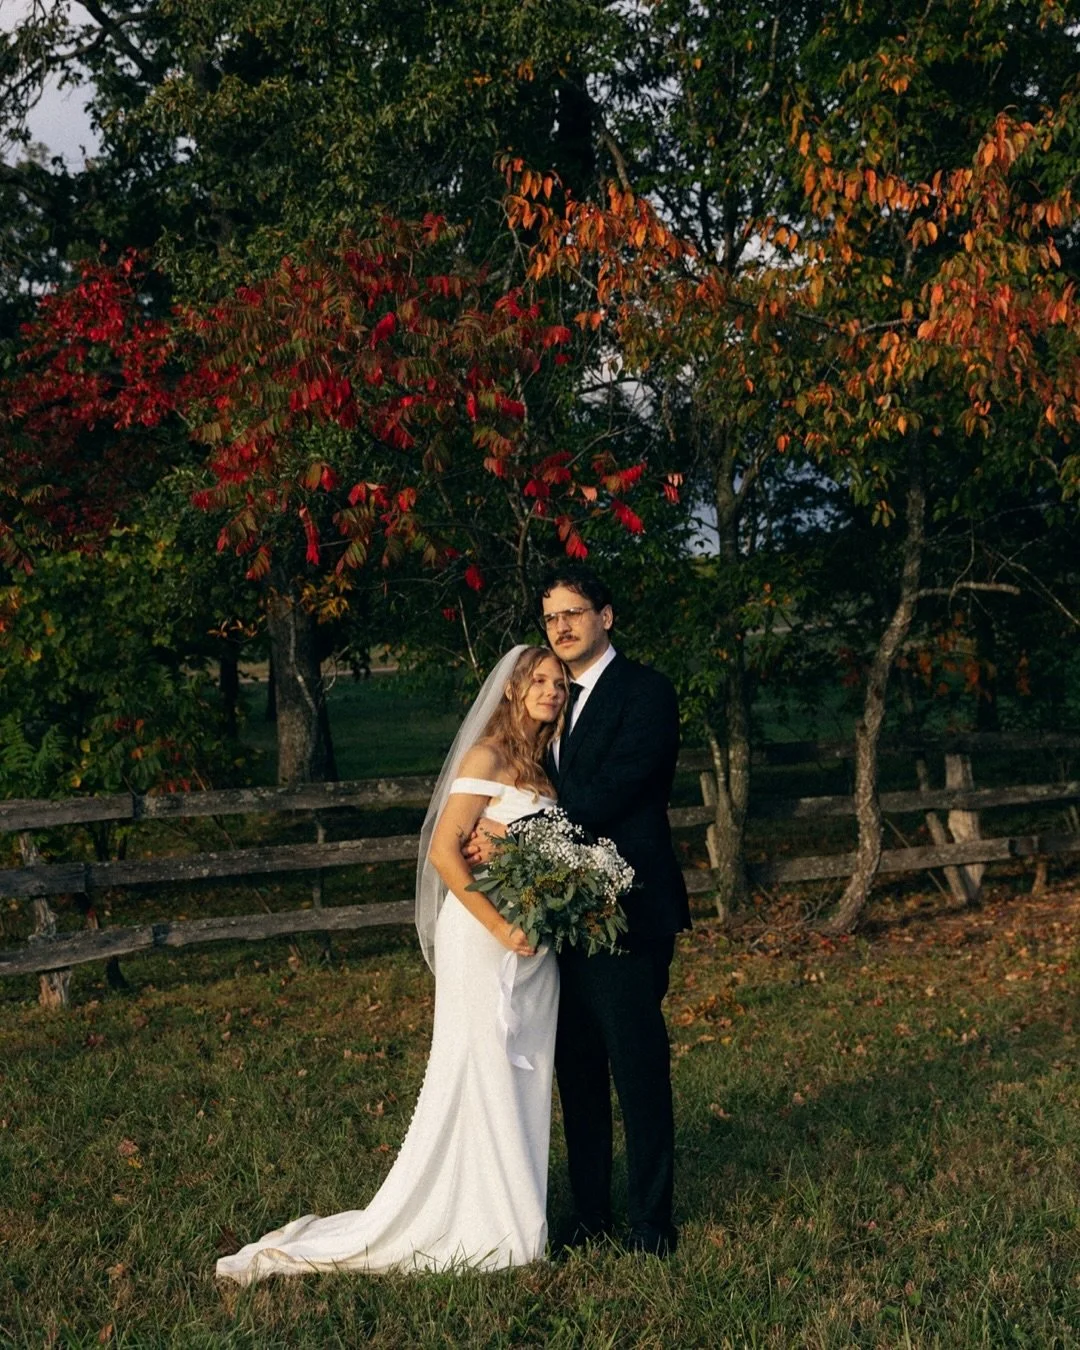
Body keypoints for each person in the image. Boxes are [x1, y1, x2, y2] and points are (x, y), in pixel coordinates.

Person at [215, 645, 568, 1284]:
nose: (551, 691)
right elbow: (443, 852)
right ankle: (490, 1226)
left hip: (533, 948)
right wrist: (500, 926)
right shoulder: (487, 756)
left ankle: (515, 1212)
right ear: (513, 689)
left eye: (560, 684)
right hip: (484, 934)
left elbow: (540, 847)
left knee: (525, 1070)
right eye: (538, 680)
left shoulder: (544, 768)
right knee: (481, 1064)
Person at [538, 562, 690, 1257]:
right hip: (560, 915)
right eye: (551, 618)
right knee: (576, 1072)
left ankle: (651, 1221)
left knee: (637, 1070)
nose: (561, 627)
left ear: (606, 616)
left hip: (629, 911)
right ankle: (590, 1212)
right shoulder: (548, 697)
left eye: (573, 612)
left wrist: (522, 831)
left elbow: (616, 789)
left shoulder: (646, 692)